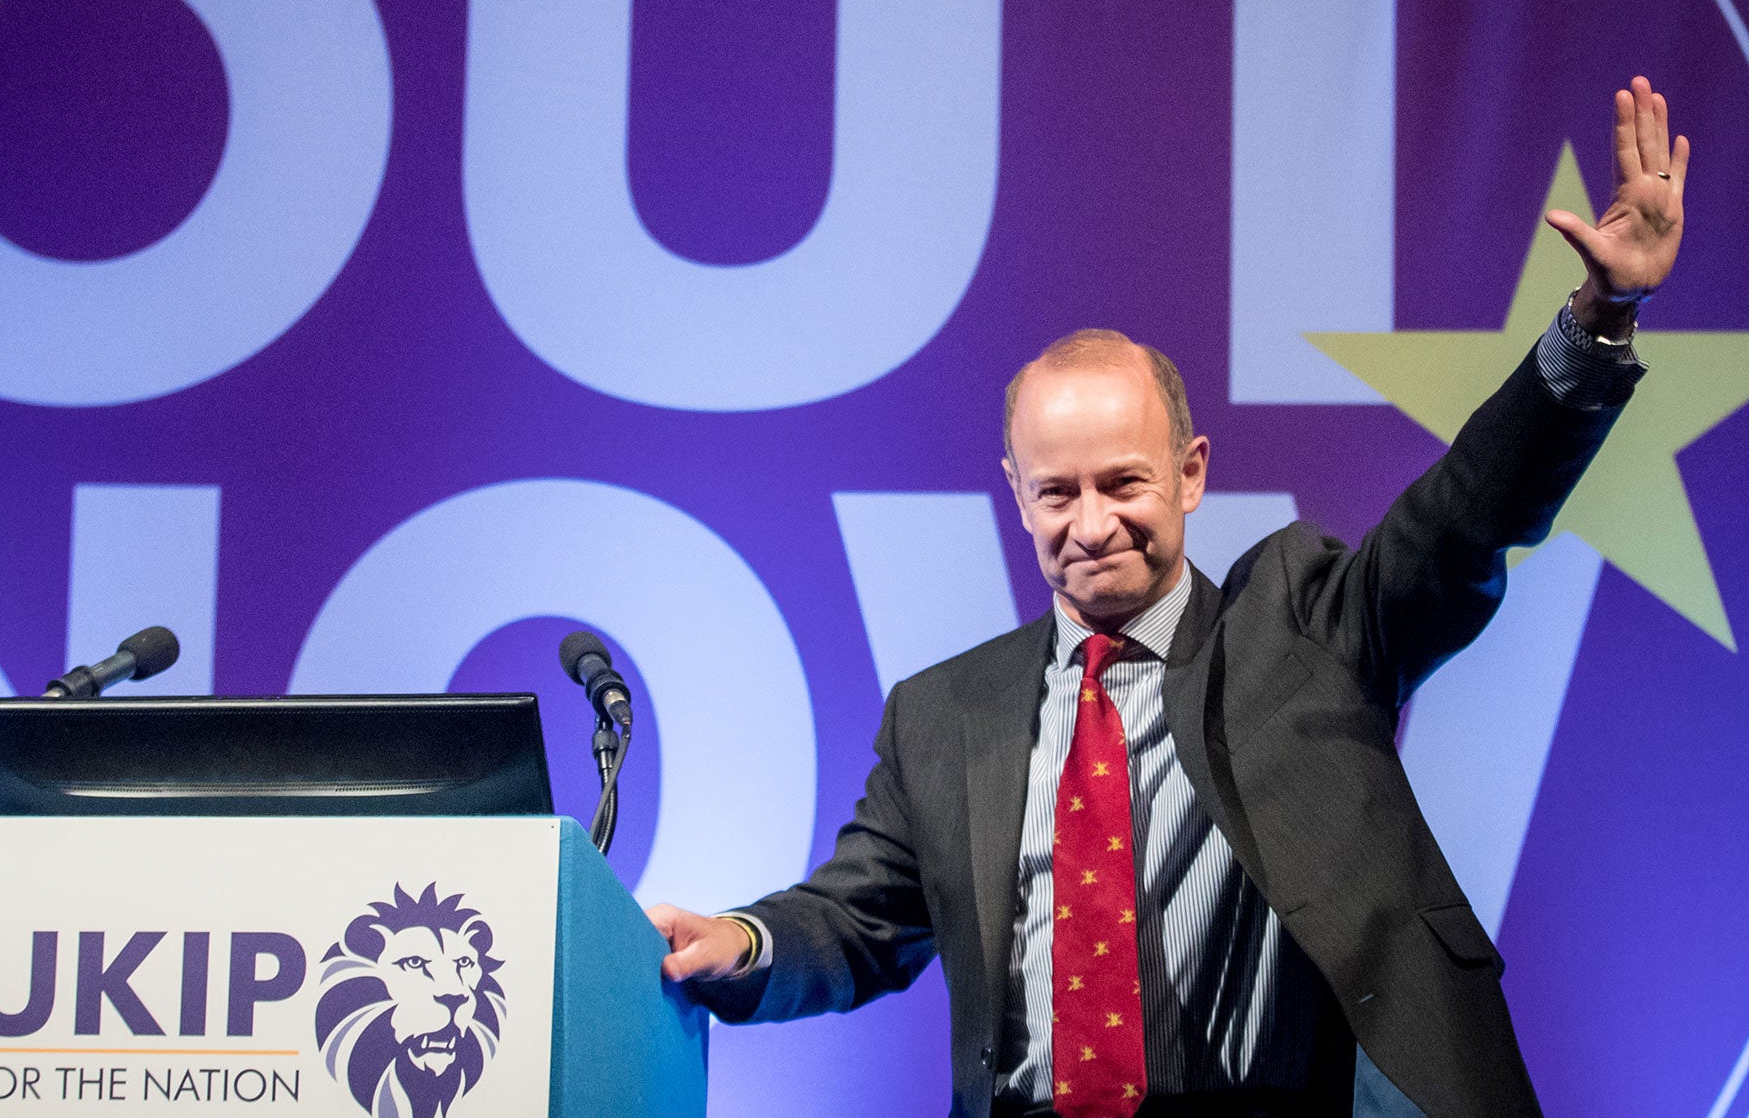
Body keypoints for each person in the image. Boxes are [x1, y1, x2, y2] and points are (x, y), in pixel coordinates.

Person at [646, 77, 1688, 1118]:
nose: (1089, 524)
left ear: (1188, 473)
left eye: (1123, 483)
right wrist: (739, 939)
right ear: (1014, 493)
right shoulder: (939, 715)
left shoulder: (1305, 628)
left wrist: (1597, 321)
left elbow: (1465, 513)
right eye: (1055, 491)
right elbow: (859, 918)